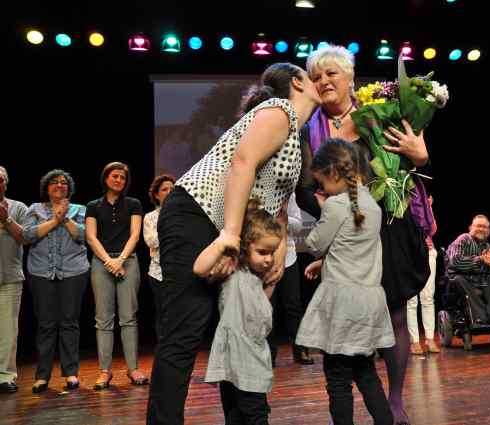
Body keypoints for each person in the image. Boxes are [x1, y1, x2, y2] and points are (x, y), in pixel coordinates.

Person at [146, 62, 321, 425]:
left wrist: (279, 249)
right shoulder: (279, 110)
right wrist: (230, 234)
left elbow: (277, 200)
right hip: (198, 214)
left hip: (235, 228)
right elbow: (242, 164)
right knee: (186, 326)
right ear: (298, 82)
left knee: (235, 330)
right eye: (314, 75)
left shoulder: (296, 132)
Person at [296, 45, 429, 425]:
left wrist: (419, 154)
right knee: (349, 319)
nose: (323, 81)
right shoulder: (309, 129)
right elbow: (305, 188)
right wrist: (334, 212)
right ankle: (351, 399)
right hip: (346, 233)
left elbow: (416, 159)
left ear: (351, 77)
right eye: (316, 77)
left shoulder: (380, 112)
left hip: (389, 226)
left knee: (395, 312)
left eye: (331, 73)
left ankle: (396, 399)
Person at [296, 139, 395, 425]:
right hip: (368, 301)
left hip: (343, 304)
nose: (322, 188)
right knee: (365, 372)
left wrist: (322, 208)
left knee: (338, 378)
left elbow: (315, 244)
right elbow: (355, 248)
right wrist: (325, 263)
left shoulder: (336, 205)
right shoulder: (372, 206)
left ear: (333, 173)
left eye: (322, 182)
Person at [194, 199, 282, 425]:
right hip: (237, 356)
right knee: (253, 414)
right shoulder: (233, 269)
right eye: (262, 252)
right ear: (245, 247)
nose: (269, 259)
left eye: (272, 252)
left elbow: (258, 308)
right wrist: (223, 242)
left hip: (252, 356)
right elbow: (200, 268)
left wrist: (270, 284)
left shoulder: (257, 277)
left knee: (240, 414)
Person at [22, 170, 90, 393]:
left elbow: (83, 236)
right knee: (46, 324)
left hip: (73, 271)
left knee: (69, 322)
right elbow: (27, 236)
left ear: (69, 188)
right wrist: (54, 220)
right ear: (46, 187)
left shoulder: (80, 209)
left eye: (63, 183)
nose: (59, 185)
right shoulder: (35, 209)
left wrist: (65, 218)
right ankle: (42, 376)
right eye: (54, 182)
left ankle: (70, 373)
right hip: (41, 271)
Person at [86, 161, 148, 390]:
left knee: (128, 317)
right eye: (115, 176)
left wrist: (120, 260)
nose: (119, 180)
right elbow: (91, 237)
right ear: (106, 178)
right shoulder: (93, 206)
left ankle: (133, 368)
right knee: (103, 319)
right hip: (102, 262)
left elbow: (135, 235)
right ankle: (105, 370)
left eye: (122, 177)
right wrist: (109, 262)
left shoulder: (133, 204)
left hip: (127, 262)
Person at [267, 193, 314, 366]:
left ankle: (300, 350)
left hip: (288, 257)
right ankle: (268, 353)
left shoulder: (289, 193)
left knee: (293, 305)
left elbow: (298, 226)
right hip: (264, 258)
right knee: (268, 307)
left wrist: (285, 218)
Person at [446, 215, 490, 325]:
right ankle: (480, 317)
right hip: (462, 278)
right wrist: (480, 259)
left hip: (481, 280)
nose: (482, 229)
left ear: (489, 230)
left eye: (485, 227)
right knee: (459, 280)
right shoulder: (464, 239)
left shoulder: (487, 246)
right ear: (471, 227)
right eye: (479, 226)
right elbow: (455, 261)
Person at [0, 166, 27, 394]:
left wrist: (6, 219)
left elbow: (26, 237)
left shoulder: (18, 207)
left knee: (8, 330)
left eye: (0, 180)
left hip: (9, 277)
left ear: (5, 184)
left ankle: (5, 376)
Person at [143, 174, 176, 339]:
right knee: (163, 314)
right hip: (158, 272)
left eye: (172, 189)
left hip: (180, 271)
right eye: (164, 189)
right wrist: (168, 227)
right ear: (156, 194)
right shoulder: (150, 217)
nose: (169, 192)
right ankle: (164, 347)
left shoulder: (183, 215)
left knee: (180, 313)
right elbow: (151, 241)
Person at [407, 195, 439, 355]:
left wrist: (429, 208)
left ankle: (430, 338)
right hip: (409, 255)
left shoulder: (424, 207)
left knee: (427, 297)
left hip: (428, 252)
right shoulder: (402, 207)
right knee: (411, 300)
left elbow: (433, 229)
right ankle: (414, 341)